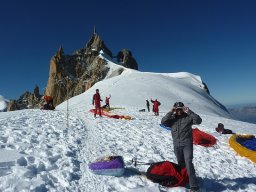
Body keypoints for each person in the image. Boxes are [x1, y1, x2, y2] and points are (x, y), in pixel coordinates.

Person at [161, 101, 202, 192]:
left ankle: (194, 186)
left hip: (187, 144)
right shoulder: (172, 119)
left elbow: (199, 120)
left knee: (188, 163)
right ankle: (184, 179)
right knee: (181, 164)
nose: (179, 111)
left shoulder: (188, 118)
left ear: (183, 109)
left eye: (180, 109)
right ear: (175, 109)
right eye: (177, 109)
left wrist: (189, 111)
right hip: (176, 145)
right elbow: (163, 122)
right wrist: (171, 112)